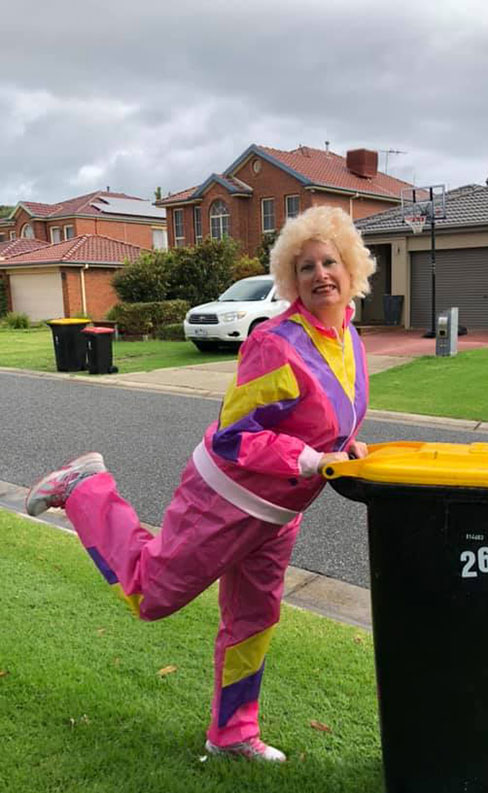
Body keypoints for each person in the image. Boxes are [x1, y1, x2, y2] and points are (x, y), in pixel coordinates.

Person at [25, 205, 376, 763]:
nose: (319, 276)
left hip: (279, 515)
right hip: (228, 499)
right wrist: (309, 459)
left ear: (352, 267)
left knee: (255, 619)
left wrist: (348, 447)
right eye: (305, 267)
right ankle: (85, 487)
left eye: (329, 262)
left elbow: (331, 417)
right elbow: (237, 437)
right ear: (291, 278)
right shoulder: (275, 342)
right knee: (150, 595)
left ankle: (233, 734)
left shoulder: (348, 338)